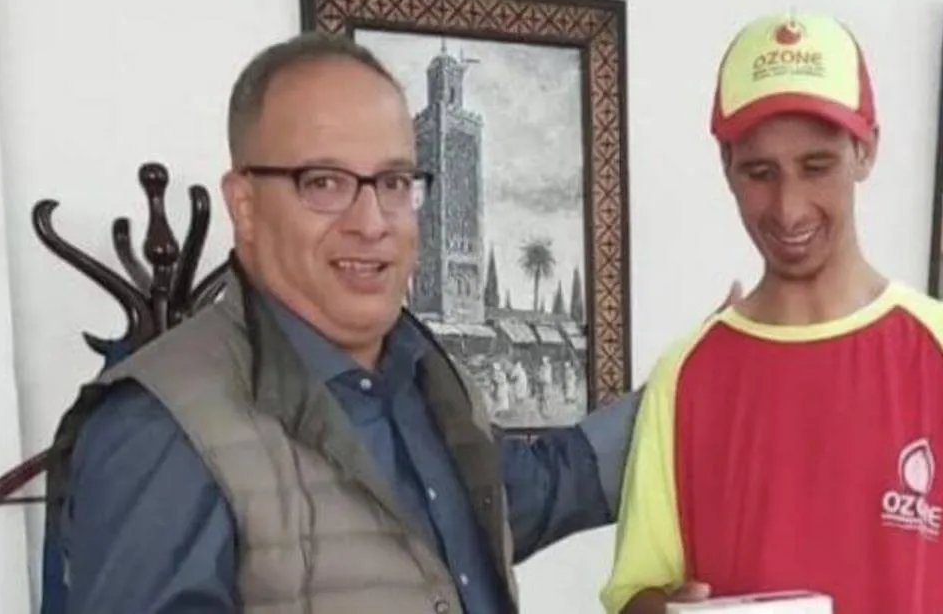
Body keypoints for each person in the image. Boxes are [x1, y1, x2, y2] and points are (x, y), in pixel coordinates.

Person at [43, 31, 644, 614]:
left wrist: (696, 384)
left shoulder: (427, 379)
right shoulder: (160, 427)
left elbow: (542, 489)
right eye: (324, 183)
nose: (372, 222)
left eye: (394, 182)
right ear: (244, 206)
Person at [600, 11, 943, 614]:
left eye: (817, 167)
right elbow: (634, 591)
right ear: (726, 165)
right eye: (760, 173)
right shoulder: (686, 374)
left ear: (865, 150)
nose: (789, 209)